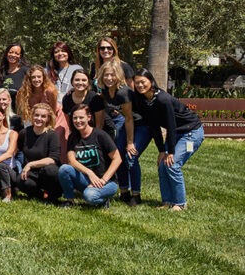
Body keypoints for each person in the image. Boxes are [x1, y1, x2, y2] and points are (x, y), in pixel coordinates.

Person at [133, 68, 204, 211]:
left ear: (151, 81)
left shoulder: (163, 99)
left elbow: (171, 126)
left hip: (191, 132)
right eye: (137, 83)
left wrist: (170, 152)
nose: (140, 85)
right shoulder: (144, 100)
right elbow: (154, 127)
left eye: (143, 82)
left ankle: (180, 203)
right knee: (162, 165)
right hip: (177, 134)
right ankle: (167, 201)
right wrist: (161, 151)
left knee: (172, 164)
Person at [97, 61, 146, 206]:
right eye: (106, 75)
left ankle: (136, 195)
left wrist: (130, 143)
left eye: (112, 75)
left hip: (142, 124)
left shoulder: (123, 91)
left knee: (130, 156)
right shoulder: (105, 91)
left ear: (118, 76)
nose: (109, 78)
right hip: (128, 124)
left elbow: (130, 118)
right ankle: (124, 191)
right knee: (118, 155)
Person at [60, 104, 122, 208]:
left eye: (81, 117)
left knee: (89, 196)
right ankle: (69, 200)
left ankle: (103, 199)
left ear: (88, 117)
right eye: (75, 118)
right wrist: (90, 173)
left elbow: (117, 159)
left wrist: (103, 180)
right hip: (87, 178)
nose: (78, 121)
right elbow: (71, 161)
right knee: (64, 169)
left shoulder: (100, 135)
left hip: (108, 182)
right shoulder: (73, 137)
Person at [15, 103, 62, 202]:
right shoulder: (24, 133)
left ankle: (53, 196)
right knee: (20, 180)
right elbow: (19, 149)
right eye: (36, 115)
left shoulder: (52, 135)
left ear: (48, 118)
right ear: (32, 116)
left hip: (47, 172)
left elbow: (53, 159)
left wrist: (31, 164)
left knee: (51, 170)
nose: (39, 118)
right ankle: (37, 194)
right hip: (32, 173)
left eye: (43, 116)